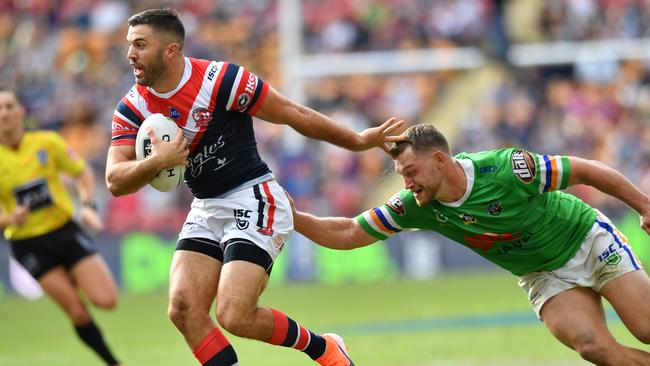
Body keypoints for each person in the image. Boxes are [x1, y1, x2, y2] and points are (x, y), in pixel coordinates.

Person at [105, 8, 403, 366]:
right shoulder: (132, 107)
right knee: (183, 309)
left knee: (235, 315)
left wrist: (357, 141)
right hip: (206, 206)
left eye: (140, 44)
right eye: (129, 45)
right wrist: (157, 161)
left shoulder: (220, 81)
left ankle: (324, 349)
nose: (130, 54)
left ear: (170, 50)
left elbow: (295, 114)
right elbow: (114, 180)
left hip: (253, 196)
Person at [290, 123, 650, 366]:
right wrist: (295, 218)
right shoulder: (417, 207)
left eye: (412, 172)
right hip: (542, 274)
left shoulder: (505, 169)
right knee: (592, 346)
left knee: (646, 328)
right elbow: (350, 232)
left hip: (585, 239)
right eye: (403, 176)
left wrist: (644, 207)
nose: (408, 184)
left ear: (440, 160)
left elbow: (586, 169)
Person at [0, 86, 121, 366]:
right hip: (28, 243)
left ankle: (77, 275)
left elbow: (83, 174)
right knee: (77, 312)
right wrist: (8, 218)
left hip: (65, 231)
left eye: (9, 106)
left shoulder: (48, 142)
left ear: (21, 112)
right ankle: (114, 362)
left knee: (106, 300)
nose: (4, 113)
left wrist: (88, 206)